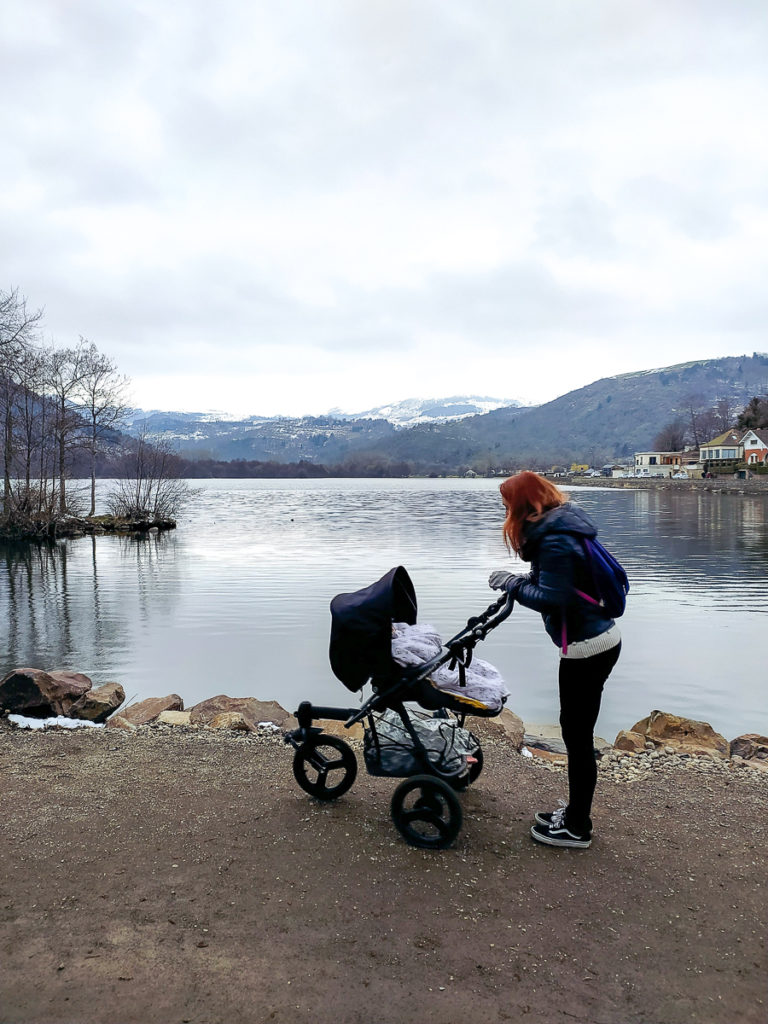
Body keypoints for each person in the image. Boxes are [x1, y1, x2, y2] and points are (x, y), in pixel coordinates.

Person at [488, 471, 621, 849]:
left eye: (506, 504)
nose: (504, 511)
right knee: (575, 733)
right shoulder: (560, 527)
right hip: (596, 639)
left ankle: (577, 827)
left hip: (587, 646)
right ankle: (577, 813)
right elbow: (556, 586)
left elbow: (553, 598)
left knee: (576, 738)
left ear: (522, 506)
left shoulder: (555, 541)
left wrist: (513, 584)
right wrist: (521, 580)